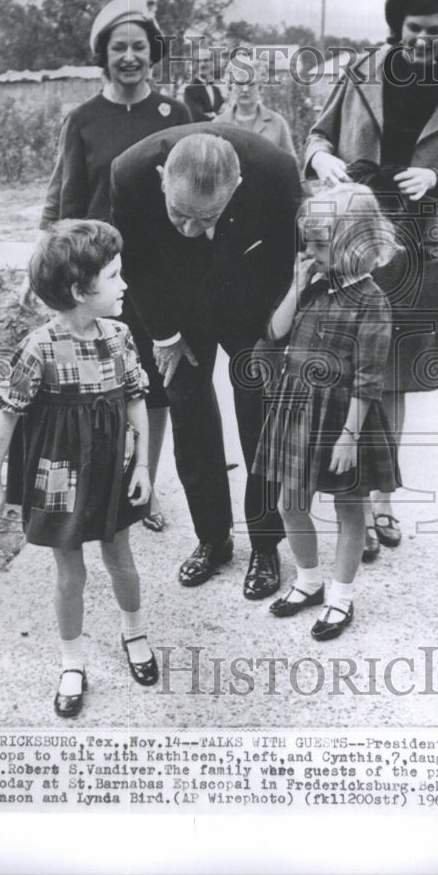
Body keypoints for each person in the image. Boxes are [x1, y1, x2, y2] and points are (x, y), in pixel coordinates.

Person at [304, 0, 438, 560]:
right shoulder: (358, 75)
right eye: (414, 28)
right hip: (350, 238)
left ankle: (382, 500)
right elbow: (315, 139)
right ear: (396, 25)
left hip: (414, 247)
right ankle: (342, 496)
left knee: (396, 378)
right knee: (345, 369)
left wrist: (436, 177)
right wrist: (323, 163)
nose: (423, 40)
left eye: (436, 31)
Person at [110, 126, 302, 598]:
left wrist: (270, 336)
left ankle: (265, 543)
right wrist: (166, 335)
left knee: (259, 417)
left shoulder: (277, 171)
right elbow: (132, 261)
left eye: (209, 216)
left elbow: (284, 258)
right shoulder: (129, 172)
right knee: (189, 412)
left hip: (250, 303)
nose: (195, 231)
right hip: (176, 308)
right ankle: (212, 539)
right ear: (161, 178)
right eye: (180, 216)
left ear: (236, 187)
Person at [33, 0, 191, 533]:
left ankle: (146, 482)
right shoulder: (83, 119)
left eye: (139, 46)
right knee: (96, 382)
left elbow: (190, 193)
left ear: (153, 53)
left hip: (158, 275)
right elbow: (65, 200)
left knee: (154, 384)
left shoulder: (175, 114)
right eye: (118, 47)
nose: (129, 56)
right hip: (97, 278)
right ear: (105, 55)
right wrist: (55, 268)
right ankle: (103, 483)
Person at [0, 220, 157, 719]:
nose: (125, 285)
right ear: (81, 291)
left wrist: (143, 462)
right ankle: (71, 662)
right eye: (114, 277)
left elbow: (135, 401)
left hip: (111, 467)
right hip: (58, 473)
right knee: (70, 570)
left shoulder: (121, 336)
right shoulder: (38, 347)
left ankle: (135, 632)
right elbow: (8, 414)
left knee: (119, 554)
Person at [254, 184, 400, 639]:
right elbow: (276, 331)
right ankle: (309, 582)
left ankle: (340, 598)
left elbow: (369, 378)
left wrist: (350, 436)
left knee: (349, 509)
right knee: (288, 504)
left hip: (342, 418)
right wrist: (298, 285)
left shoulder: (372, 301)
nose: (310, 252)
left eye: (320, 245)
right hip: (297, 407)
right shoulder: (313, 283)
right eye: (309, 243)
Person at [215, 53, 297, 159]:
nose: (245, 89)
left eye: (251, 84)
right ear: (232, 87)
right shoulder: (218, 124)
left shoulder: (277, 123)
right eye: (240, 83)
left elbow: (291, 165)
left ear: (260, 88)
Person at [183, 49, 224, 122]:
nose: (202, 64)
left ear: (212, 64)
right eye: (198, 61)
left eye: (206, 60)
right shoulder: (190, 90)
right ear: (194, 65)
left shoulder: (216, 90)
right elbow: (196, 116)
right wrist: (217, 116)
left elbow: (225, 113)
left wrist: (213, 114)